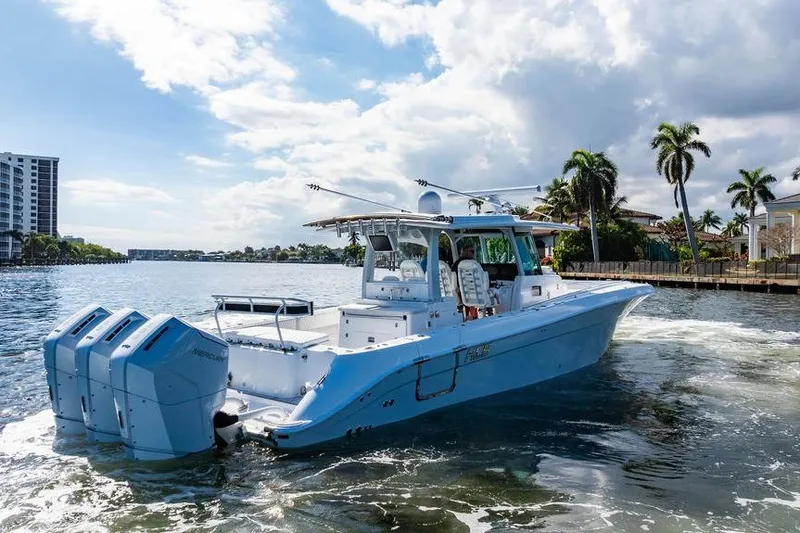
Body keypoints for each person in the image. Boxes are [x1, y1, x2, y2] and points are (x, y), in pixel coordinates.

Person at [452, 243, 478, 320]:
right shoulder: (472, 264)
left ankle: (468, 317)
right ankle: (474, 318)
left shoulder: (456, 264)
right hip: (469, 292)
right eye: (472, 251)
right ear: (465, 252)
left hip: (461, 292)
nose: (473, 253)